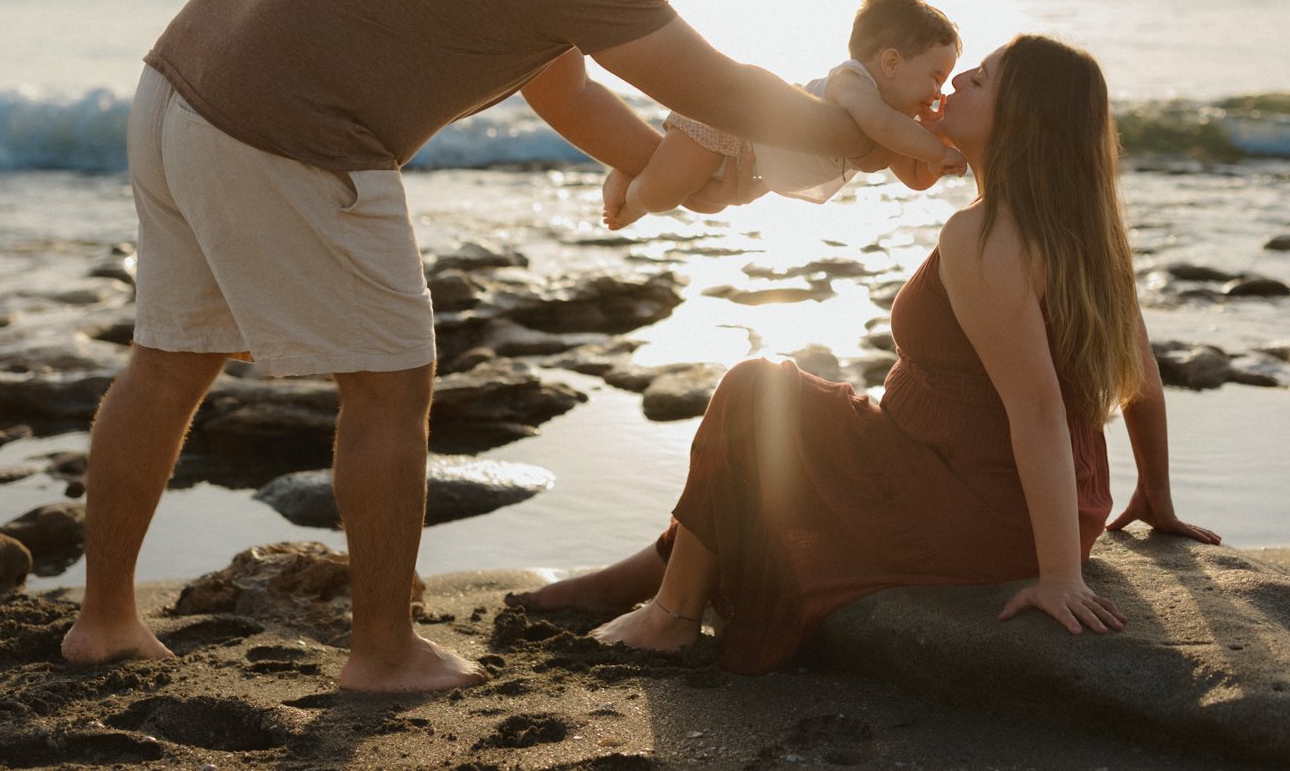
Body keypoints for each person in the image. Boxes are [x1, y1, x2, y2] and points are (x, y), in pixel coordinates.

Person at [59, 0, 874, 692]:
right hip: (282, 126)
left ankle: (104, 621)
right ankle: (382, 651)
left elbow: (565, 96)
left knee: (168, 362)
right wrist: (875, 137)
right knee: (390, 384)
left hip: (175, 92)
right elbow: (721, 87)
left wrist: (662, 183)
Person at [516, 34, 1220, 673]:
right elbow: (1144, 379)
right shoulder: (1087, 228)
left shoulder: (985, 235)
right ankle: (647, 574)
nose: (958, 82)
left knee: (756, 389)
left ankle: (671, 614)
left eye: (980, 79)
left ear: (1023, 120)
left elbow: (1034, 406)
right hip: (1057, 496)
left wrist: (1060, 575)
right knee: (796, 421)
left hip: (974, 499)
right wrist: (1154, 496)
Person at [600, 0, 968, 229]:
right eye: (935, 77)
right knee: (660, 195)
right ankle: (629, 193)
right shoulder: (853, 83)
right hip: (734, 127)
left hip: (753, 163)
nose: (937, 93)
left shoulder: (898, 123)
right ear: (890, 63)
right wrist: (933, 147)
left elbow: (915, 176)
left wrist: (941, 144)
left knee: (704, 202)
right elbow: (882, 127)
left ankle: (643, 169)